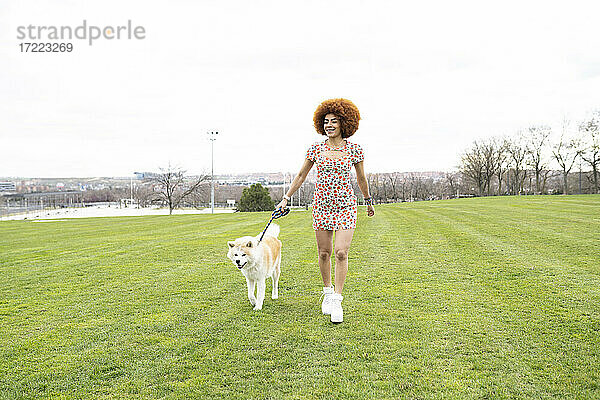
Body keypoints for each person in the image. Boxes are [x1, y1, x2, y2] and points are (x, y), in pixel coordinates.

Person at [276, 98, 375, 323]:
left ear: (344, 124)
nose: (329, 125)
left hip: (346, 206)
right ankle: (328, 292)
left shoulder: (354, 150)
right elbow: (301, 175)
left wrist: (368, 200)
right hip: (321, 205)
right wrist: (286, 198)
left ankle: (338, 300)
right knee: (324, 253)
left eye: (334, 121)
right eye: (326, 121)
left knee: (341, 252)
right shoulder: (315, 149)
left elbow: (361, 178)